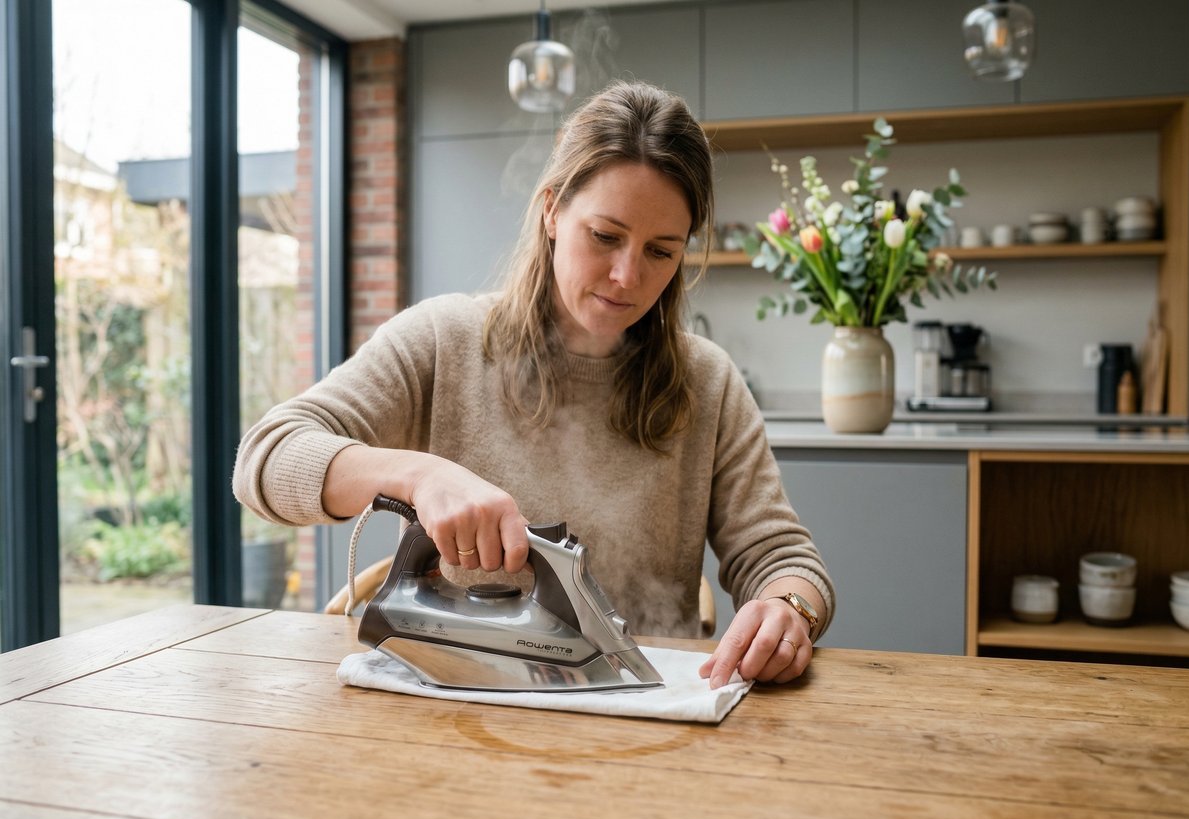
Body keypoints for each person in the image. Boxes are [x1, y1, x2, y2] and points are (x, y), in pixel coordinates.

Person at [233, 80, 834, 689]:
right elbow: (266, 459)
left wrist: (789, 609)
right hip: (452, 711)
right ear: (551, 210)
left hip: (644, 724)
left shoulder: (708, 382)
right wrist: (422, 476)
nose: (627, 275)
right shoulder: (443, 341)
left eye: (661, 251)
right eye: (604, 236)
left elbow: (781, 557)